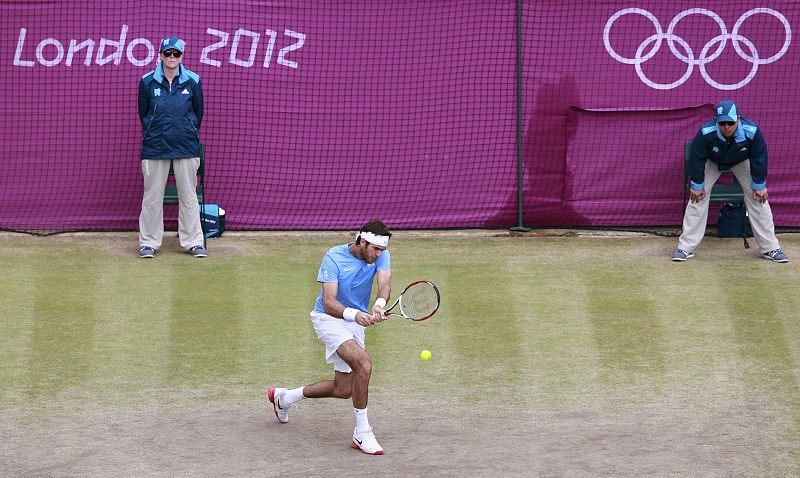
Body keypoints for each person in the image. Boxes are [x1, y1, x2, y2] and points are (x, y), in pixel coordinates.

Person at [268, 220, 393, 455]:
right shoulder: (333, 257)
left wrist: (379, 304)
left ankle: (284, 398)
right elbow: (328, 303)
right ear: (362, 241)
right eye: (375, 249)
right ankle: (362, 433)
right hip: (328, 319)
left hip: (354, 323)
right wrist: (355, 314)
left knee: (344, 389)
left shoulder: (381, 255)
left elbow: (384, 283)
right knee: (363, 364)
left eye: (382, 250)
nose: (378, 254)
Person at [672, 100, 788, 263]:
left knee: (758, 198)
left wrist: (759, 185)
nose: (727, 127)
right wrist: (697, 185)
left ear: (738, 118)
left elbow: (759, 158)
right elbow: (697, 159)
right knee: (697, 198)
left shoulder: (752, 131)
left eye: (731, 123)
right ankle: (685, 248)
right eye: (722, 123)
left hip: (741, 161)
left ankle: (770, 248)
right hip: (712, 162)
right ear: (716, 121)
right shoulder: (706, 132)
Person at [137, 36, 206, 259]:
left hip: (185, 147)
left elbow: (198, 113)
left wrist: (186, 130)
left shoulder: (193, 81)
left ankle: (194, 242)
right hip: (154, 147)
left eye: (176, 53)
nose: (172, 57)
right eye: (167, 53)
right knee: (152, 197)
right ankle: (148, 243)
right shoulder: (147, 81)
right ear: (160, 55)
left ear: (182, 56)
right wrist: (154, 131)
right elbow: (143, 113)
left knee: (189, 197)